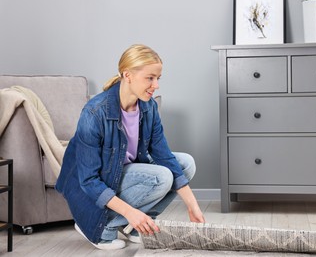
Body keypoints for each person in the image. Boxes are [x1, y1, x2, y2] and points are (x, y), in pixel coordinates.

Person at [55, 44, 205, 250]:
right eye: (150, 78)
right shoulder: (94, 113)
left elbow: (164, 155)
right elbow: (88, 180)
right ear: (128, 75)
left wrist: (192, 205)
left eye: (158, 78)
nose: (156, 85)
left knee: (185, 164)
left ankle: (138, 228)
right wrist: (130, 212)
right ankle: (100, 227)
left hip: (122, 171)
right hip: (89, 187)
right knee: (162, 177)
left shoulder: (148, 107)